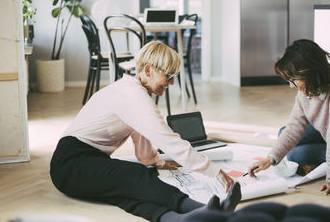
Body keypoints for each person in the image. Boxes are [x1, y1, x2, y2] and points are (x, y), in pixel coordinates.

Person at [50, 41, 241, 222]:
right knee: (136, 175)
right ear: (149, 70)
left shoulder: (132, 93)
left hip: (83, 162)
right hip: (70, 164)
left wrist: (157, 162)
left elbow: (143, 149)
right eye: (169, 76)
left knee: (125, 190)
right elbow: (170, 141)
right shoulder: (132, 96)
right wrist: (214, 171)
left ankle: (177, 219)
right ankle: (205, 211)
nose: (172, 83)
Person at [248, 39, 330, 197]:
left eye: (293, 80)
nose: (291, 86)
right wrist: (270, 159)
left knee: (295, 155)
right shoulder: (307, 88)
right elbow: (294, 128)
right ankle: (322, 158)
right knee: (283, 133)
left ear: (309, 72)